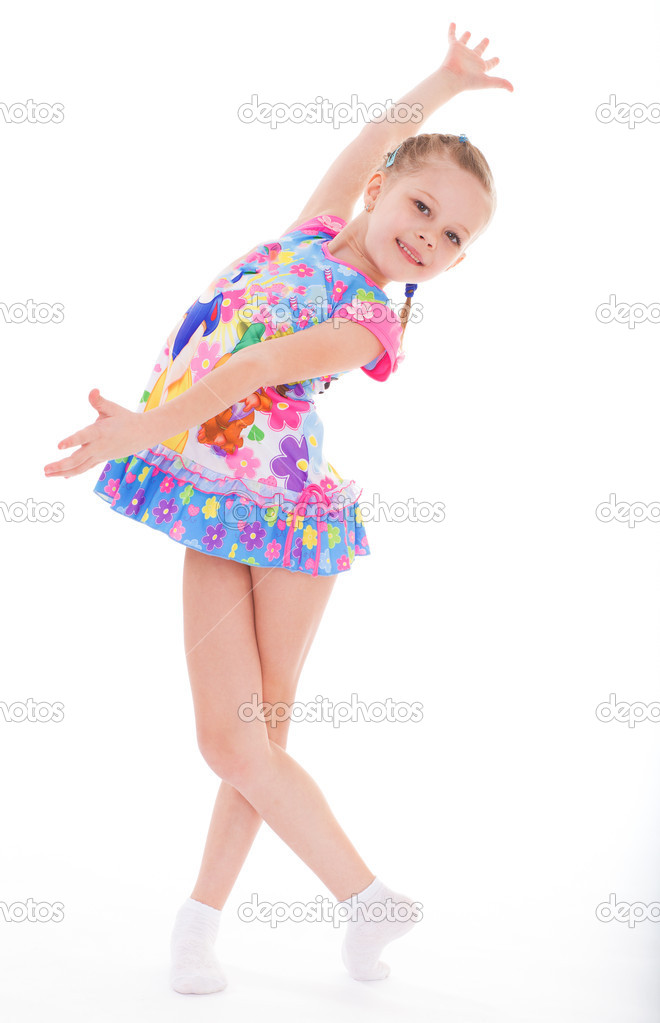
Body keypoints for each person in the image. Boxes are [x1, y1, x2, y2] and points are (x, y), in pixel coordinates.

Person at [44, 22, 513, 995]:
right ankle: (228, 920)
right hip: (220, 501)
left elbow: (261, 365)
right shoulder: (312, 228)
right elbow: (372, 138)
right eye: (423, 205)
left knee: (243, 740)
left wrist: (147, 426)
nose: (429, 235)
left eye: (453, 237)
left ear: (455, 267)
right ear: (380, 189)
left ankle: (326, 900)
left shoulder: (370, 323)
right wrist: (446, 81)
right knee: (244, 744)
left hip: (290, 525)